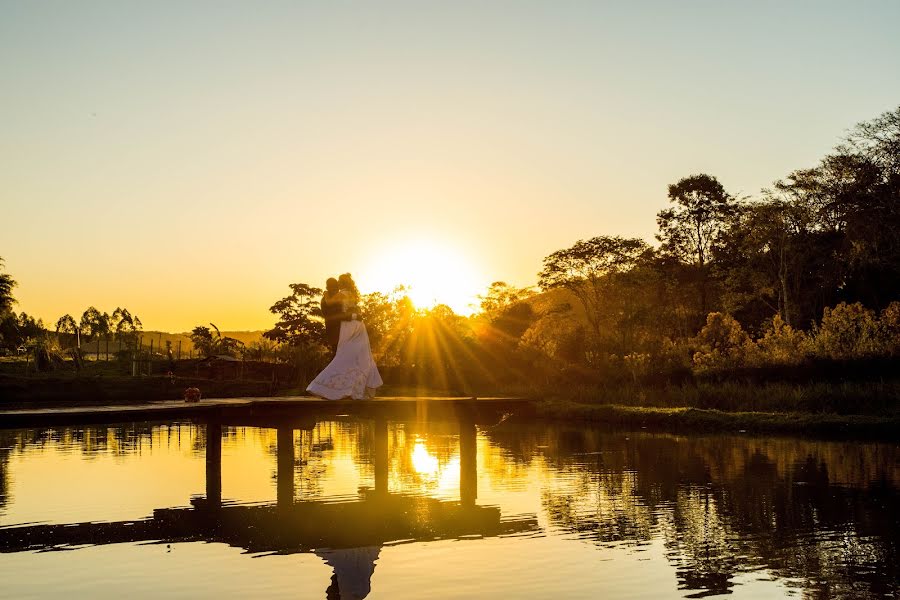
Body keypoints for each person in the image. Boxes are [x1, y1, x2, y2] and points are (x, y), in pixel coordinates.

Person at [307, 273, 383, 400]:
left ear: (341, 283)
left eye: (339, 281)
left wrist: (325, 294)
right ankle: (355, 387)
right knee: (358, 356)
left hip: (349, 326)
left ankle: (326, 386)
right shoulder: (353, 294)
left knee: (344, 355)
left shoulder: (341, 293)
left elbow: (329, 302)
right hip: (359, 325)